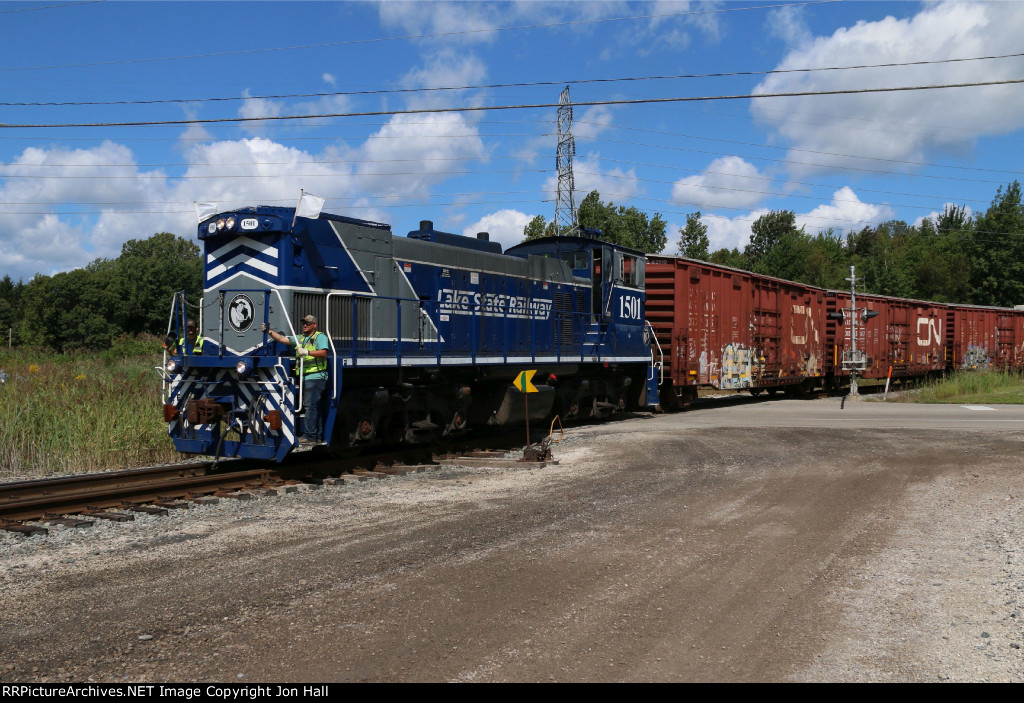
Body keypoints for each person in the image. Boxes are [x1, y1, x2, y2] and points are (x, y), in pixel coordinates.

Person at [262, 315, 329, 445]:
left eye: (308, 323)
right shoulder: (300, 338)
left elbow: (323, 353)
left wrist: (307, 352)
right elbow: (282, 339)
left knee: (310, 406)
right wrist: (269, 331)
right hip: (304, 377)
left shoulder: (320, 337)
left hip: (316, 376)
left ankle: (310, 436)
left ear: (314, 325)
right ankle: (317, 435)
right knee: (313, 406)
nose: (305, 325)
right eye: (303, 323)